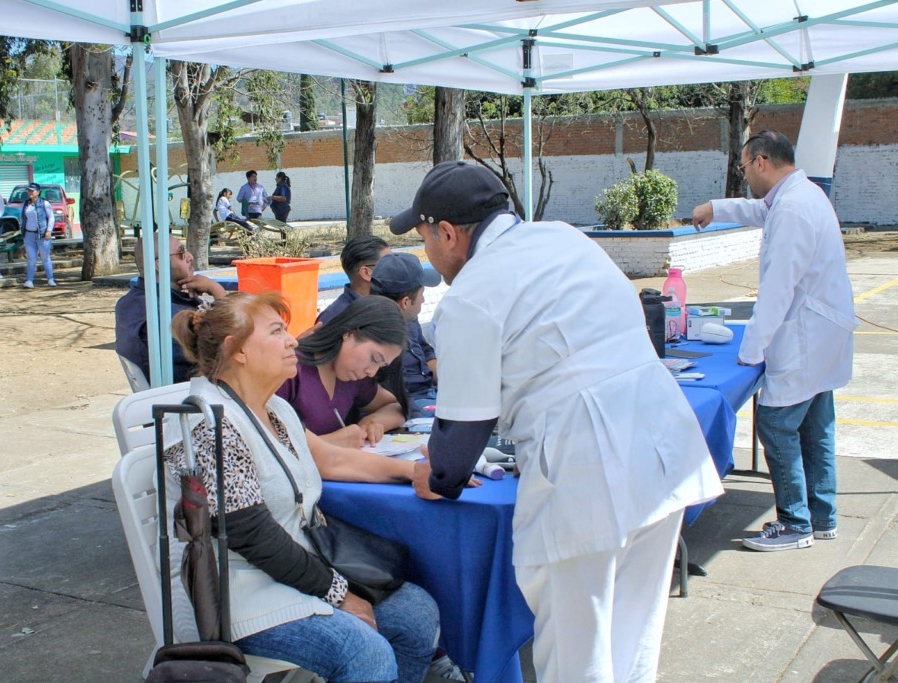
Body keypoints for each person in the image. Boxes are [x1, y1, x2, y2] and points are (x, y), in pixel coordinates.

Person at [391, 160, 723, 683]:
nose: (427, 253)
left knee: (576, 656)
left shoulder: (471, 294)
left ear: (448, 233)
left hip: (586, 466)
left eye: (424, 238)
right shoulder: (566, 239)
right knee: (632, 638)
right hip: (661, 445)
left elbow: (459, 440)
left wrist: (433, 477)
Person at [163, 291, 439, 683]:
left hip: (297, 574)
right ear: (236, 350)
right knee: (364, 651)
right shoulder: (210, 424)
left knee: (416, 612)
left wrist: (414, 474)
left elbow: (331, 459)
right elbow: (254, 536)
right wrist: (340, 593)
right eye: (277, 332)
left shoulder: (274, 408)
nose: (293, 340)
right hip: (243, 595)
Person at [692, 130, 857, 552]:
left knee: (776, 424)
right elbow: (759, 210)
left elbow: (778, 290)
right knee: (816, 427)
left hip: (805, 336)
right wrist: (716, 208)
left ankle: (793, 523)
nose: (745, 175)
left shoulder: (794, 210)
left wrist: (751, 350)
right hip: (822, 334)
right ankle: (823, 516)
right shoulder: (801, 196)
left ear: (761, 161)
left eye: (744, 167)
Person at [277, 295, 407, 449]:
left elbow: (395, 407)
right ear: (350, 333)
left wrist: (374, 422)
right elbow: (262, 447)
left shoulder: (354, 378)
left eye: (381, 365)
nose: (371, 372)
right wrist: (330, 442)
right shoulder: (290, 371)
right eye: (374, 358)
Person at [115, 234, 227, 384]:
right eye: (181, 253)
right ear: (160, 265)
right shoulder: (168, 314)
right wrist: (217, 290)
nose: (190, 257)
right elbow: (230, 341)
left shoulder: (129, 302)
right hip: (193, 393)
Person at [370, 252, 442, 419]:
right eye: (422, 294)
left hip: (431, 391)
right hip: (411, 405)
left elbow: (425, 350)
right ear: (406, 302)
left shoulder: (409, 318)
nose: (423, 300)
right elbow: (394, 397)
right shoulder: (379, 336)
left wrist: (449, 379)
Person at [316, 235, 390, 325]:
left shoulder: (389, 305)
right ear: (366, 273)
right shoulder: (335, 318)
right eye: (390, 264)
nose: (397, 268)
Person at [20, 182, 56, 288]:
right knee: (31, 258)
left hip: (42, 234)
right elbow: (22, 218)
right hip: (29, 234)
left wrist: (49, 231)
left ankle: (50, 279)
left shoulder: (44, 203)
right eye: (28, 190)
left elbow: (51, 217)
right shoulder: (26, 204)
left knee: (45, 257)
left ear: (38, 192)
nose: (30, 192)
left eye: (32, 190)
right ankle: (29, 280)